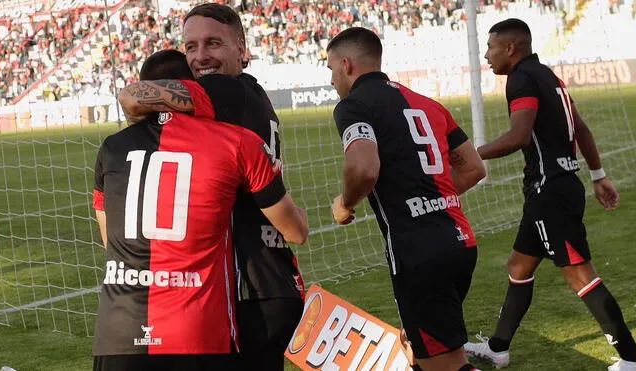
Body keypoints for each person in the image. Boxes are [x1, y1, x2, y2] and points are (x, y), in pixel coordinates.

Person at [92, 49, 308, 371]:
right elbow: (295, 231)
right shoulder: (235, 142)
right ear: (194, 88)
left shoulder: (111, 147)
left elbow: (110, 240)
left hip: (118, 331)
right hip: (196, 330)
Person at [464, 18, 636, 371]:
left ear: (510, 48)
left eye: (491, 47)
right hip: (555, 187)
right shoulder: (547, 75)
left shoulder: (521, 78)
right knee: (519, 265)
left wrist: (471, 154)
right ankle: (498, 348)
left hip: (550, 191)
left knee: (579, 275)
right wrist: (598, 175)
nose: (486, 55)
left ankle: (632, 359)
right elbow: (581, 127)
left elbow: (519, 136)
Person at [327, 27, 486, 371]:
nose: (332, 80)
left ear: (347, 64)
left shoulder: (353, 106)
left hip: (419, 253)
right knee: (421, 351)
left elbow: (364, 169)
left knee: (449, 364)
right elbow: (473, 168)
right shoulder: (428, 104)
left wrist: (346, 203)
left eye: (331, 70)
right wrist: (433, 198)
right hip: (461, 243)